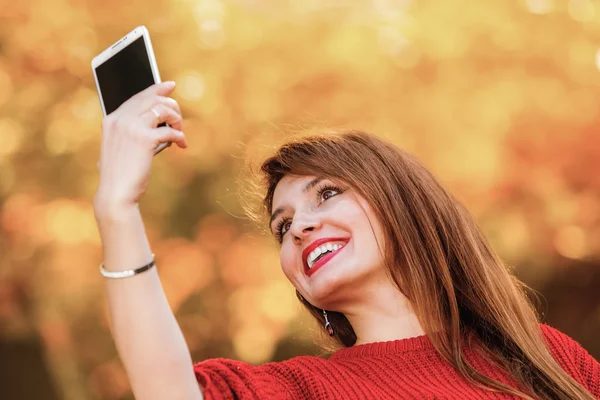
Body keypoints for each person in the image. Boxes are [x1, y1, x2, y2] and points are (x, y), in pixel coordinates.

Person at [94, 82, 600, 400]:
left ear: (402, 200)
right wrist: (118, 210)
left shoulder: (540, 355)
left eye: (328, 193)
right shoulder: (301, 390)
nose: (299, 228)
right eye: (282, 226)